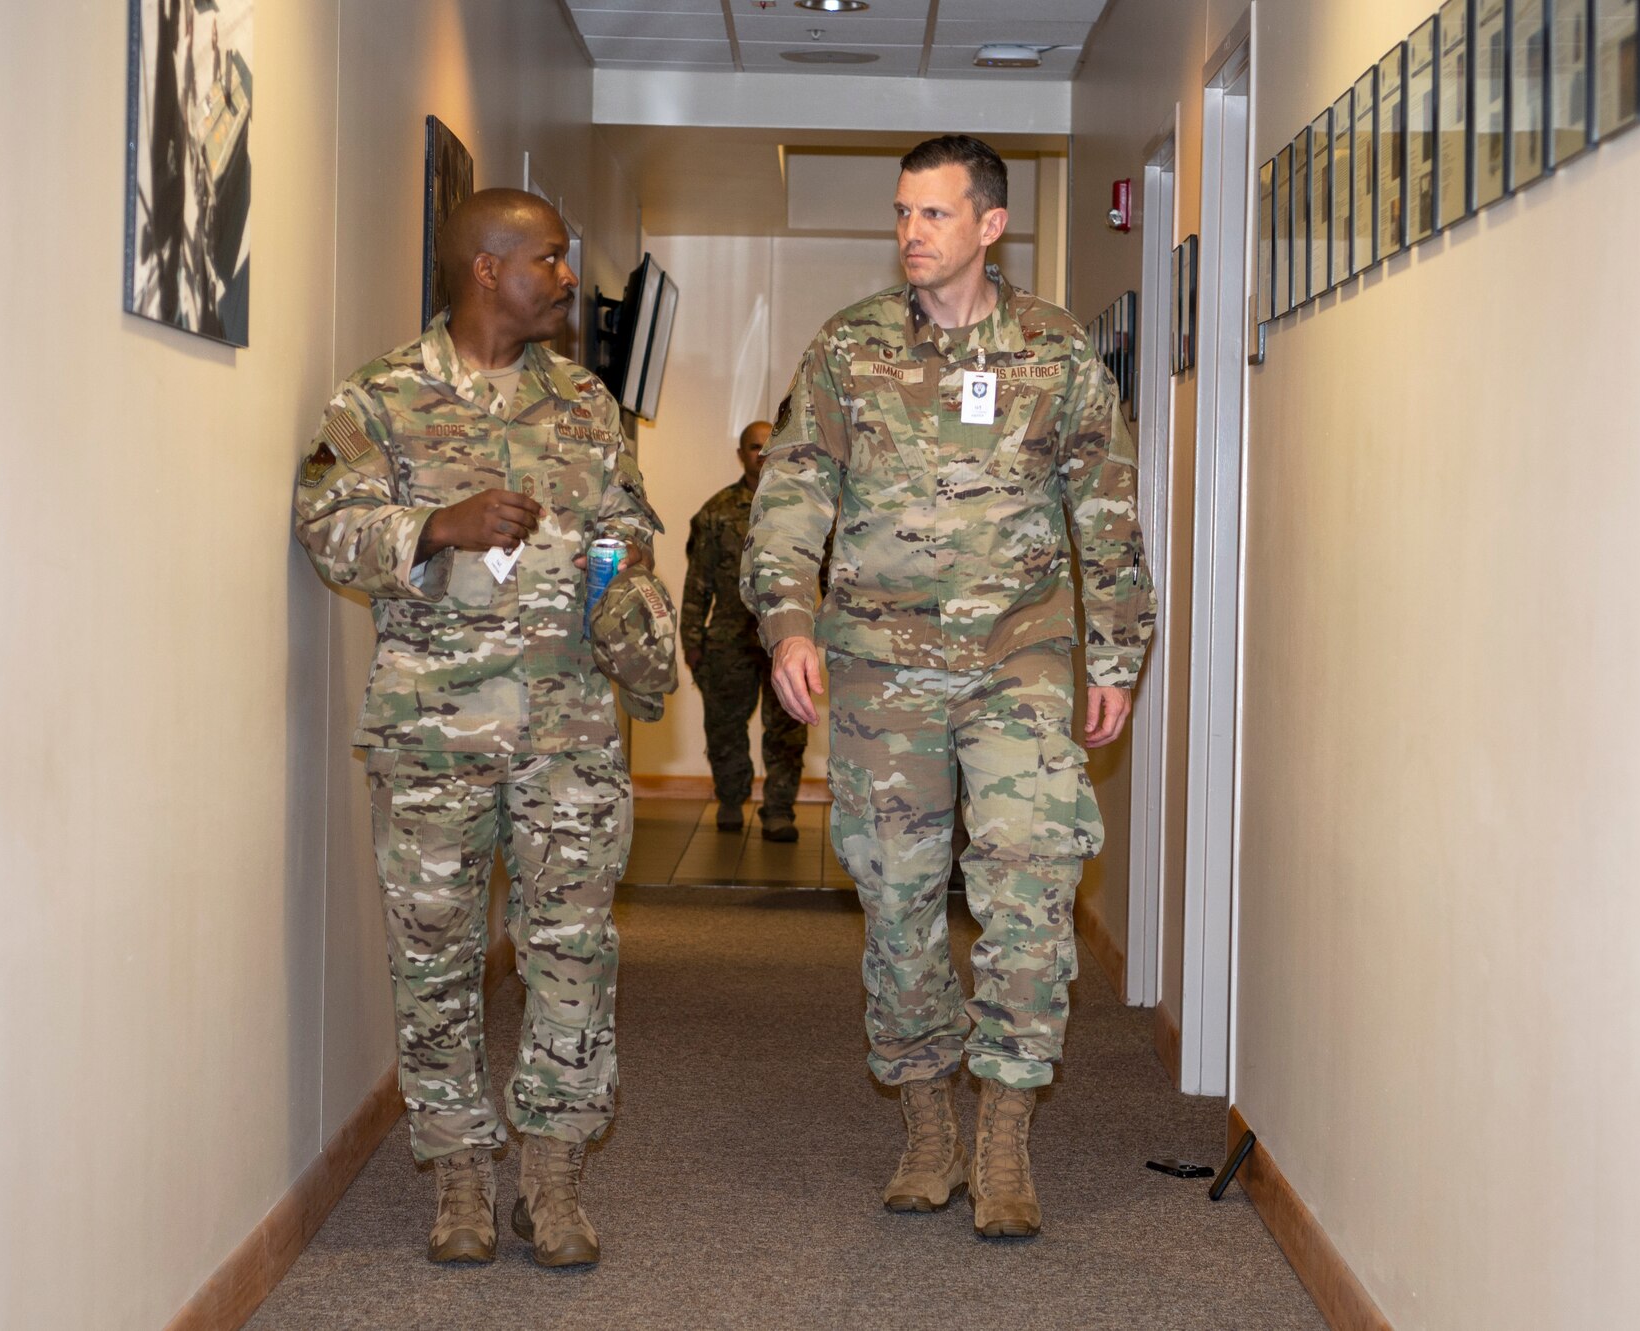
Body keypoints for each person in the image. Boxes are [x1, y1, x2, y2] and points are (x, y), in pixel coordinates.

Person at [741, 135, 1154, 1238]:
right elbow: (791, 494)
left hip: (1020, 660)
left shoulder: (1058, 353)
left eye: (932, 215)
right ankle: (927, 1118)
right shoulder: (848, 350)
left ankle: (1006, 1128)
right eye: (899, 214)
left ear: (987, 225)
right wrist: (786, 621)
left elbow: (1105, 516)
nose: (910, 235)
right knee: (898, 899)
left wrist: (1115, 654)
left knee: (1029, 877)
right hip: (879, 669)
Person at [292, 188, 661, 1270]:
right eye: (547, 259)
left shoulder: (588, 407)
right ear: (487, 268)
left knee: (572, 952)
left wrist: (617, 578)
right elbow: (324, 527)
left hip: (570, 732)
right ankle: (457, 1166)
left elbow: (631, 532)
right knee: (434, 956)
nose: (563, 276)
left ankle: (550, 1169)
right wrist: (431, 527)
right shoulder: (381, 397)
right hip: (432, 737)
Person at [681, 421, 809, 842]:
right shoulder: (715, 512)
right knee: (724, 726)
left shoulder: (800, 509)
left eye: (768, 447)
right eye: (754, 447)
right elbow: (696, 584)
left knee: (787, 730)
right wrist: (692, 642)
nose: (761, 454)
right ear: (741, 454)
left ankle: (778, 810)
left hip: (782, 641)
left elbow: (824, 578)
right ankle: (732, 800)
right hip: (729, 639)